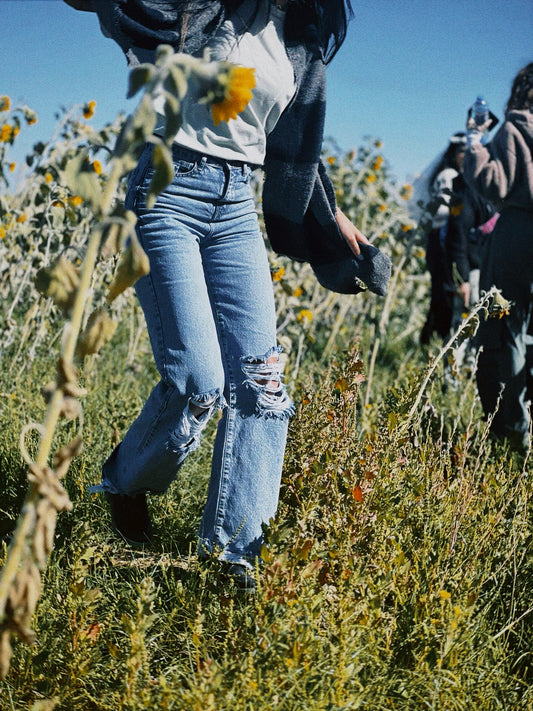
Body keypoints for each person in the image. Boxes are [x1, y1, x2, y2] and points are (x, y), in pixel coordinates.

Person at [64, 0, 390, 590]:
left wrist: (333, 220)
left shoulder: (299, 39)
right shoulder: (190, 8)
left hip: (236, 203)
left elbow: (298, 151)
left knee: (263, 383)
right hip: (165, 187)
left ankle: (233, 561)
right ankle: (124, 481)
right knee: (199, 383)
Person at [462, 63, 533, 455]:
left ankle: (513, 430)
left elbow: (494, 182)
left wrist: (475, 140)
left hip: (518, 235)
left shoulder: (514, 127)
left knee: (507, 331)